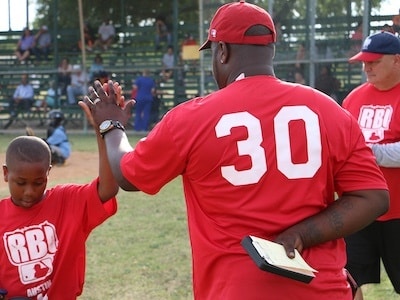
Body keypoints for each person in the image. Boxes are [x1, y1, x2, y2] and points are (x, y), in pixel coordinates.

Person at [81, 1, 389, 299]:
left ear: (222, 51)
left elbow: (129, 175)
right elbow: (373, 198)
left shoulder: (192, 117)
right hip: (320, 289)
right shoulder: (329, 110)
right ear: (271, 51)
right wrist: (302, 234)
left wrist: (111, 126)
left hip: (232, 290)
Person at [0, 129, 118, 297]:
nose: (29, 192)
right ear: (6, 173)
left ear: (48, 172)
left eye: (38, 183)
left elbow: (108, 188)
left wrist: (104, 130)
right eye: (20, 183)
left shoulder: (66, 202)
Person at [342, 31, 400, 300]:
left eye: (374, 62)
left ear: (397, 61)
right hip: (358, 208)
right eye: (364, 62)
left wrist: (366, 152)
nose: (367, 67)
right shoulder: (353, 98)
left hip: (398, 212)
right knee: (348, 282)